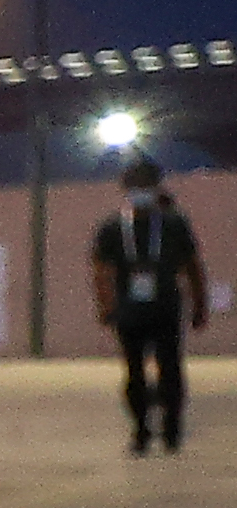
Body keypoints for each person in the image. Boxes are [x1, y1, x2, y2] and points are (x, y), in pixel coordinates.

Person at [96, 150, 207, 456]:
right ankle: (141, 430)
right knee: (134, 372)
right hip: (129, 311)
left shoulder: (173, 224)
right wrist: (106, 306)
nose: (140, 191)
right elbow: (102, 270)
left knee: (170, 368)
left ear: (157, 186)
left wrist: (200, 305)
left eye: (146, 184)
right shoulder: (113, 228)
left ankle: (172, 428)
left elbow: (192, 266)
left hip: (166, 307)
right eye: (135, 185)